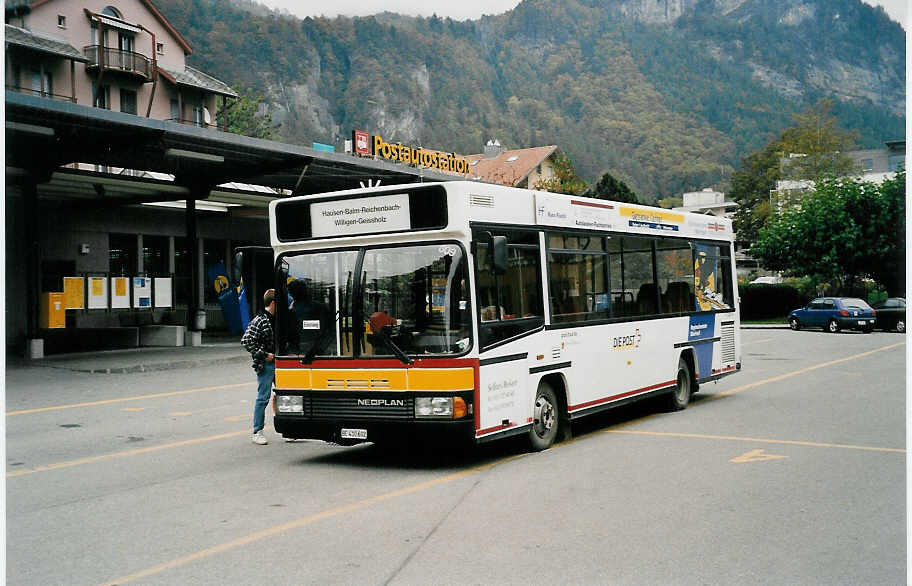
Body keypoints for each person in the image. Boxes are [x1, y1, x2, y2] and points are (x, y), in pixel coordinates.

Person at [241, 288, 276, 445]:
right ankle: (257, 431)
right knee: (263, 398)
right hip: (266, 363)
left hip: (280, 362)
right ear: (273, 303)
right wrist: (264, 354)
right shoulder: (260, 320)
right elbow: (246, 340)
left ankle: (286, 429)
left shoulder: (275, 318)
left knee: (284, 396)